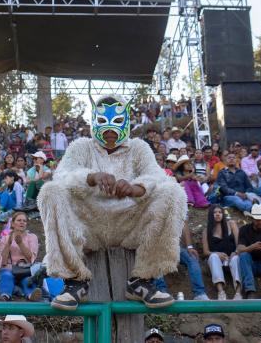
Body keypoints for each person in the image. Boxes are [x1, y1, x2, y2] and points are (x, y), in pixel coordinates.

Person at [38, 95, 186, 311]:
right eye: (103, 124)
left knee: (174, 192)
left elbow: (157, 176)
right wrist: (91, 177)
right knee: (50, 191)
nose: (109, 131)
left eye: (116, 123)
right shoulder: (81, 146)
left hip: (129, 224)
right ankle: (75, 281)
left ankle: (142, 280)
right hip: (88, 226)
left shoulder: (139, 147)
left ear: (125, 121)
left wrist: (137, 187)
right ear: (94, 122)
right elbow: (62, 176)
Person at [156, 221, 210, 301]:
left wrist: (189, 246)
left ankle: (199, 293)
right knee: (153, 259)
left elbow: (184, 223)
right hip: (157, 248)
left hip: (175, 247)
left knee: (192, 258)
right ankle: (161, 292)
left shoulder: (176, 209)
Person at [0, 211, 40, 301]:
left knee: (27, 280)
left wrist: (20, 243)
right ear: (12, 223)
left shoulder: (32, 237)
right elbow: (2, 262)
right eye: (19, 220)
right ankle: (4, 296)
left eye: (24, 221)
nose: (22, 222)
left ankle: (31, 296)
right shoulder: (5, 238)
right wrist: (8, 243)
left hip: (25, 269)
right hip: (9, 269)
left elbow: (32, 258)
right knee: (6, 275)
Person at [202, 205, 241, 300]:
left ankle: (238, 293)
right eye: (215, 212)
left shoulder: (231, 224)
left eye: (220, 212)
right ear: (211, 215)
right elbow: (205, 252)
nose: (217, 214)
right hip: (218, 260)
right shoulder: (207, 231)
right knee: (213, 256)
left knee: (236, 258)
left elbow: (240, 244)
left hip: (232, 257)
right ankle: (221, 292)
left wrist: (235, 252)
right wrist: (217, 253)